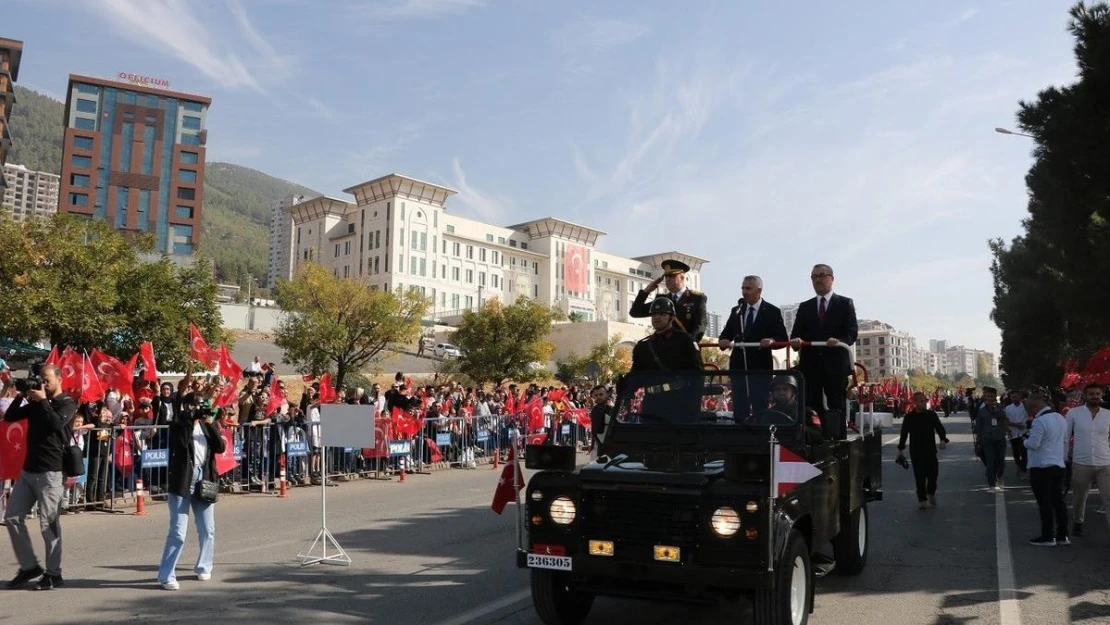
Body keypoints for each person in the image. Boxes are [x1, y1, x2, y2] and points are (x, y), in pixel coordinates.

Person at [3, 364, 78, 590]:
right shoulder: (35, 402)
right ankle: (29, 567)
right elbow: (10, 416)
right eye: (40, 380)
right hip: (28, 471)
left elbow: (55, 423)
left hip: (51, 473)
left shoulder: (67, 403)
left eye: (47, 379)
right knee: (12, 517)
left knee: (48, 524)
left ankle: (54, 573)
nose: (43, 383)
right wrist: (22, 394)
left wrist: (43, 399)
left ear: (58, 379)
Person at [157, 386, 227, 590]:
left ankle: (204, 565)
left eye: (201, 404)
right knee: (178, 531)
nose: (199, 408)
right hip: (183, 480)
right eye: (195, 404)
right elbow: (181, 442)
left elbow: (220, 448)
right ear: (187, 406)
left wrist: (211, 423)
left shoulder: (206, 425)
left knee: (208, 528)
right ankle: (166, 575)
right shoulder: (178, 424)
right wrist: (192, 419)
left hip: (203, 478)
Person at [789, 263, 859, 439]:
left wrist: (839, 341)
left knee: (837, 404)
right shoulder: (805, 307)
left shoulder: (844, 303)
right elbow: (796, 333)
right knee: (812, 404)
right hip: (811, 364)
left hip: (835, 364)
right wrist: (796, 341)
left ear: (831, 278)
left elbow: (851, 332)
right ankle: (817, 439)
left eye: (821, 275)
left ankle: (838, 441)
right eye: (814, 277)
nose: (818, 280)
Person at [717, 275, 789, 417]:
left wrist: (771, 341)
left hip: (760, 368)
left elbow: (782, 337)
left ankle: (760, 436)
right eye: (743, 288)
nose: (744, 292)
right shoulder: (737, 310)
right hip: (739, 367)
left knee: (760, 407)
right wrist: (724, 340)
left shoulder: (772, 311)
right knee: (740, 407)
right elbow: (726, 333)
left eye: (748, 288)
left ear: (759, 290)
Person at [627, 297, 704, 422]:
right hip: (652, 404)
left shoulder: (685, 341)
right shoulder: (643, 346)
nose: (657, 317)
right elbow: (636, 376)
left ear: (672, 317)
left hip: (679, 402)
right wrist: (625, 387)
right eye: (654, 314)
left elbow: (698, 377)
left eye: (662, 314)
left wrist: (693, 407)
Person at [1023, 387, 1069, 546]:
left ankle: (1048, 536)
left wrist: (1025, 440)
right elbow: (1064, 442)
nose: (1029, 408)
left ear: (1036, 404)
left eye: (1029, 405)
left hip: (1041, 466)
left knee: (1044, 502)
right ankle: (1063, 535)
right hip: (1058, 465)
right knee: (1058, 501)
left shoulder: (1040, 421)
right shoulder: (1061, 418)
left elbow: (1034, 444)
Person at [1065, 383, 1110, 538]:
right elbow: (1065, 437)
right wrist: (1064, 457)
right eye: (1091, 394)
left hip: (1105, 463)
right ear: (1084, 396)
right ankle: (1078, 522)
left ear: (1101, 395)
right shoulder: (1073, 413)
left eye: (1097, 393)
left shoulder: (1108, 414)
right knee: (1079, 497)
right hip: (1081, 463)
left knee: (1109, 498)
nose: (1095, 396)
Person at [629, 259, 708, 342]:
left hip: (685, 349)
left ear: (682, 277)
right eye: (666, 276)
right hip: (663, 348)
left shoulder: (696, 298)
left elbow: (700, 325)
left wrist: (689, 343)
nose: (668, 279)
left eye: (672, 276)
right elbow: (635, 312)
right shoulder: (662, 300)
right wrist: (646, 291)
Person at [897, 392, 949, 509]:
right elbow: (904, 434)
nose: (924, 403)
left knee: (933, 475)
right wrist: (900, 450)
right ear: (915, 402)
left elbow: (940, 428)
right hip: (916, 452)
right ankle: (922, 499)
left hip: (930, 450)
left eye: (925, 401)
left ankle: (931, 492)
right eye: (921, 401)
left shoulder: (931, 415)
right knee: (919, 477)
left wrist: (943, 439)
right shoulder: (909, 417)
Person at [973, 387, 1008, 491]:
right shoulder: (982, 411)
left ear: (995, 397)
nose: (990, 398)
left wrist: (996, 410)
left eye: (992, 396)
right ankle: (991, 484)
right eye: (988, 396)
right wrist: (979, 441)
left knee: (1001, 462)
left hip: (1000, 438)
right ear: (985, 397)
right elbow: (979, 426)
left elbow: (1004, 419)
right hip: (987, 439)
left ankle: (999, 475)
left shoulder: (1001, 408)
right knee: (990, 461)